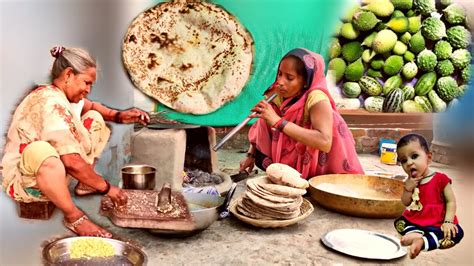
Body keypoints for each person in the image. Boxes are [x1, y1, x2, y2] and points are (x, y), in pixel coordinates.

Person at [1, 45, 150, 238]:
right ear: (68, 75)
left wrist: (120, 116)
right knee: (42, 151)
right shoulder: (51, 103)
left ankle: (86, 182)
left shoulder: (64, 96)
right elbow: (71, 161)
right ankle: (73, 216)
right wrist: (107, 188)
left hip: (55, 172)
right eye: (86, 83)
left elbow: (92, 106)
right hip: (27, 181)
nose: (88, 90)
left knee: (95, 119)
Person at [239, 48, 363, 179]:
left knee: (319, 190)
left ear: (306, 81)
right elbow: (262, 123)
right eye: (280, 74)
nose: (280, 82)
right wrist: (251, 156)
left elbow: (324, 142)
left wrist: (278, 121)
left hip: (323, 165)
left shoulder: (317, 99)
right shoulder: (278, 92)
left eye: (289, 77)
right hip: (291, 154)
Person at [394, 134, 463, 259]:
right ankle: (420, 235)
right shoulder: (411, 181)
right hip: (417, 220)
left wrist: (448, 222)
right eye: (404, 160)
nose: (409, 163)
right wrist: (408, 189)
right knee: (399, 222)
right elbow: (405, 202)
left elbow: (450, 202)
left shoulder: (441, 179)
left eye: (414, 156)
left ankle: (422, 241)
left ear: (429, 158)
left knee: (457, 233)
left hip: (438, 222)